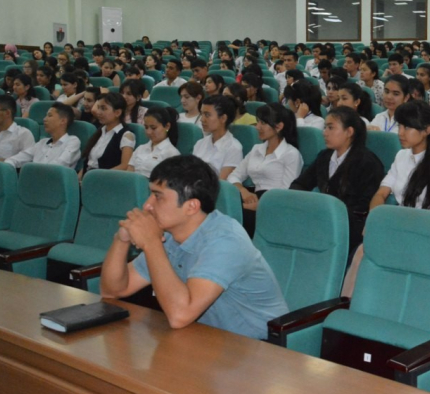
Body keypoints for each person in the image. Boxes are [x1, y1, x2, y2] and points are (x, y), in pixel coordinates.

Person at [99, 155, 289, 338]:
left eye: (158, 196)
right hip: (206, 338)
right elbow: (112, 290)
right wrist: (121, 239)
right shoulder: (170, 235)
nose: (147, 205)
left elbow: (179, 316)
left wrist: (151, 243)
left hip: (258, 347)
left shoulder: (225, 241)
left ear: (191, 206)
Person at [342, 100, 430, 297]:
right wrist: (373, 220)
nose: (401, 133)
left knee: (369, 253)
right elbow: (381, 193)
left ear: (427, 130)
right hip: (397, 225)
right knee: (361, 252)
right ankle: (349, 302)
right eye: (400, 126)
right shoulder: (401, 156)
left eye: (407, 127)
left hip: (424, 233)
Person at [290, 106, 385, 260]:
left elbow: (362, 207)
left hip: (349, 226)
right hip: (321, 217)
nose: (324, 132)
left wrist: (328, 213)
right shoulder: (324, 157)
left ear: (349, 132)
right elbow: (300, 184)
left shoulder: (368, 163)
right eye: (325, 127)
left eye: (331, 128)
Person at [228, 103, 303, 236]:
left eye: (263, 123)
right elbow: (233, 176)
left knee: (232, 216)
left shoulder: (291, 154)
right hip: (253, 198)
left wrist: (253, 206)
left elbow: (286, 194)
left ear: (279, 126)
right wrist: (243, 191)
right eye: (258, 122)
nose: (257, 127)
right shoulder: (256, 149)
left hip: (274, 207)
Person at [5, 103, 81, 169]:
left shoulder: (72, 141)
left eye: (50, 115)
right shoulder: (42, 143)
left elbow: (60, 164)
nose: (44, 119)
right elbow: (20, 157)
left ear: (63, 121)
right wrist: (7, 164)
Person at [80, 92, 136, 175]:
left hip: (107, 178)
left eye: (103, 108)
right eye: (98, 108)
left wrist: (100, 176)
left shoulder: (126, 135)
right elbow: (88, 163)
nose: (98, 112)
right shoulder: (100, 132)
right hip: (89, 177)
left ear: (117, 112)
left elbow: (125, 166)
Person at [193, 95, 243, 180]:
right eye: (201, 114)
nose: (202, 119)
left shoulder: (233, 148)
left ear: (223, 118)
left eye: (207, 115)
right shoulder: (200, 143)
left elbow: (221, 182)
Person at [128, 107, 181, 178]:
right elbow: (129, 174)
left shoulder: (172, 153)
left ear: (167, 126)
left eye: (153, 128)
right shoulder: (140, 149)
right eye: (146, 127)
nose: (148, 132)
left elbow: (171, 181)